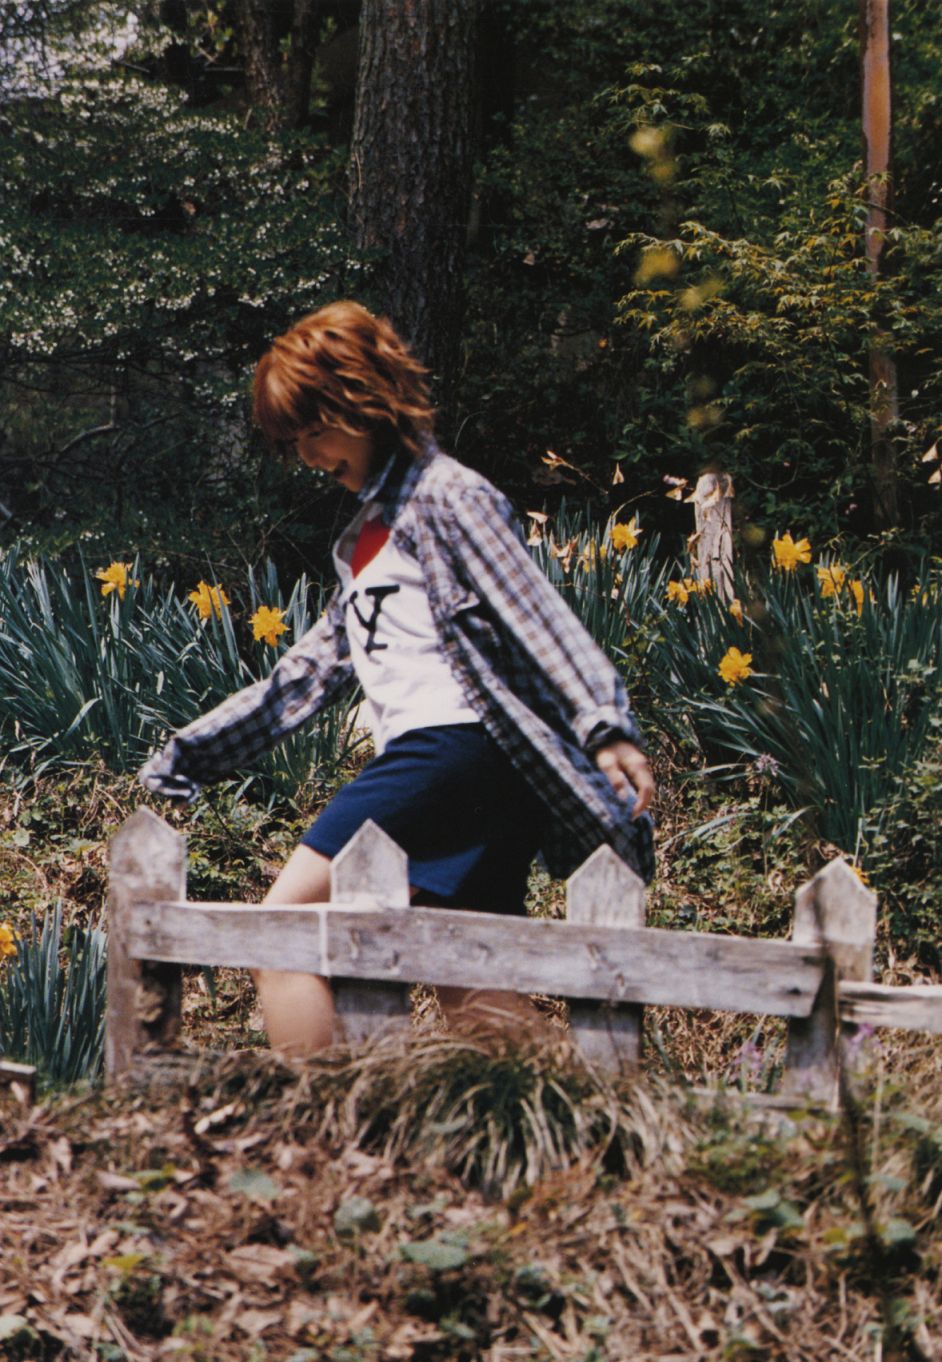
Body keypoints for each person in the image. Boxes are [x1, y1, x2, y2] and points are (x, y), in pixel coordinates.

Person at [139, 300, 655, 1054]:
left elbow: (538, 616)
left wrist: (605, 725)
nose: (309, 456)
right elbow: (305, 675)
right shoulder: (363, 538)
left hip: (451, 747)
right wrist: (196, 753)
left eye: (316, 432)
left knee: (282, 936)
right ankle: (579, 1109)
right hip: (464, 770)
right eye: (295, 441)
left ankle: (328, 1113)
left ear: (365, 404)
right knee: (465, 981)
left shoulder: (450, 496)